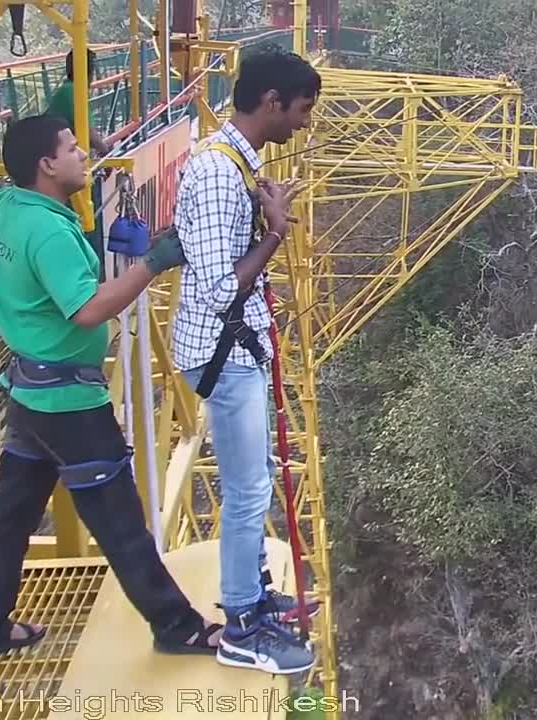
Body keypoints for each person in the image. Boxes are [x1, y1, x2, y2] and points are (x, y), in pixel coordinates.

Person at [0, 114, 223, 665]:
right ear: (47, 165)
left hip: (29, 394)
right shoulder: (49, 232)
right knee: (118, 519)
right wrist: (152, 264)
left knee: (9, 517)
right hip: (68, 404)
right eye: (72, 148)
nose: (84, 154)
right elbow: (89, 309)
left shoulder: (3, 206)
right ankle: (177, 626)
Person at [171, 46, 321, 675]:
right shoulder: (215, 173)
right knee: (248, 487)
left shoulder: (237, 163)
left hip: (237, 347)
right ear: (271, 102)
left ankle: (253, 594)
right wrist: (276, 231)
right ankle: (241, 624)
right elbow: (215, 285)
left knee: (255, 472)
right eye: (302, 110)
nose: (304, 123)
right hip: (222, 352)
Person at [45, 48, 113, 156]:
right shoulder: (73, 92)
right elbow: (90, 134)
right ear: (89, 72)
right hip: (55, 155)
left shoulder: (69, 88)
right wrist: (106, 152)